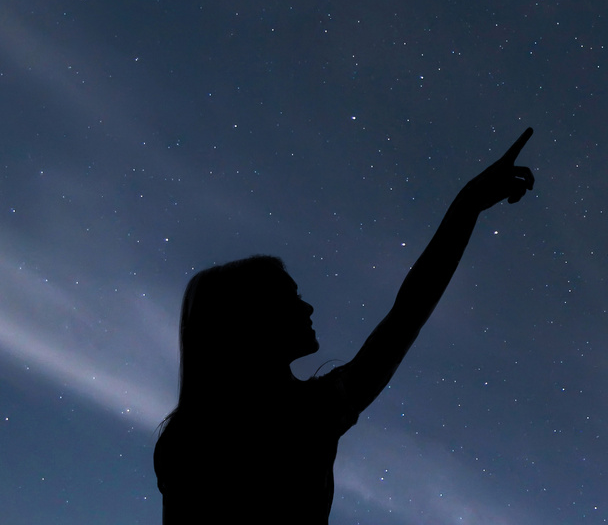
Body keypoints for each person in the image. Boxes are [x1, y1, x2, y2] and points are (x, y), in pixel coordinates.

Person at [154, 128, 535, 524]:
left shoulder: (193, 434)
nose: (308, 306)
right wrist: (467, 205)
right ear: (252, 318)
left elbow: (406, 314)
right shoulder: (303, 415)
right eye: (290, 297)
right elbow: (408, 314)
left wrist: (468, 203)